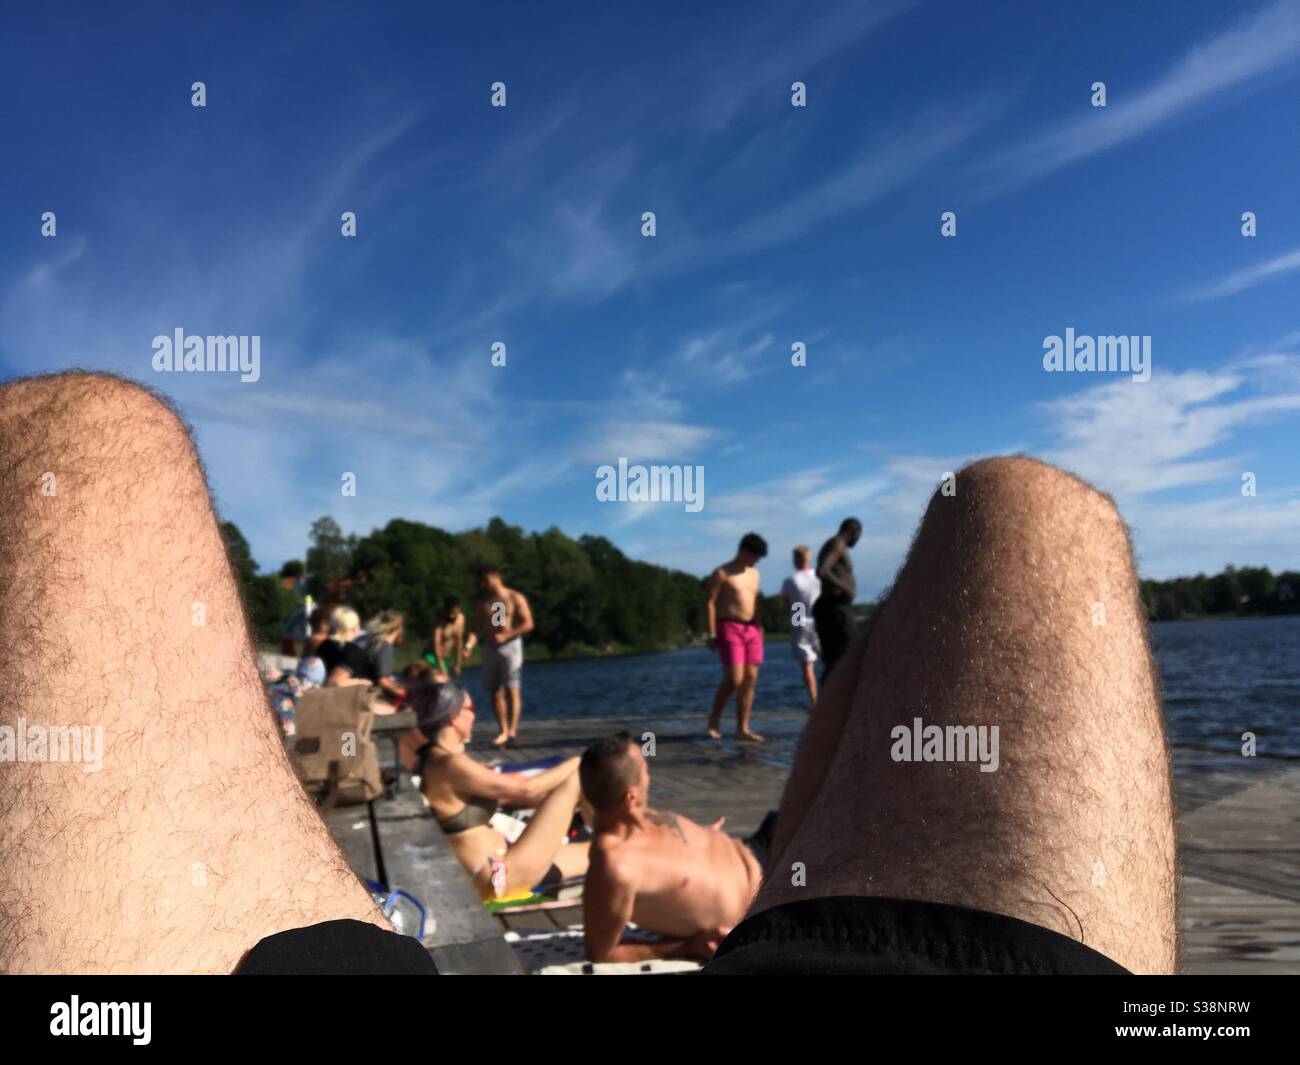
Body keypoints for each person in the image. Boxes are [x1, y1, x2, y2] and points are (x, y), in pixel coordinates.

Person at [0, 372, 1175, 976]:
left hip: (710, 880)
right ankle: (772, 784)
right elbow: (596, 917)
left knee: (91, 433)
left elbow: (584, 908)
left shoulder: (524, 791)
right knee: (1025, 506)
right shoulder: (559, 798)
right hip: (746, 879)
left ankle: (764, 777)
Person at [579, 734, 761, 963]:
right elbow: (601, 953)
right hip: (761, 915)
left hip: (760, 855)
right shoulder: (615, 866)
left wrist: (707, 834)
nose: (649, 776)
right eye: (645, 771)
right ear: (631, 797)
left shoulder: (641, 814)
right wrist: (685, 947)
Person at [412, 682, 589, 900]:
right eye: (472, 710)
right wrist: (578, 761)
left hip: (496, 864)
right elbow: (526, 789)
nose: (475, 717)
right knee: (577, 778)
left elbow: (517, 794)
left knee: (594, 849)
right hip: (497, 877)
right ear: (453, 717)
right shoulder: (449, 764)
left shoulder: (431, 756)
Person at [705, 532, 768, 743]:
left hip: (752, 628)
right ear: (743, 551)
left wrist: (760, 627)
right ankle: (714, 718)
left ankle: (743, 728)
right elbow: (710, 603)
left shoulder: (754, 574)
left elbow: (754, 602)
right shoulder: (722, 573)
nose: (756, 560)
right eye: (754, 556)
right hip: (728, 625)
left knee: (750, 679)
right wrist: (711, 632)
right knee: (734, 678)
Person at [473, 566, 533, 747]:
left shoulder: (514, 597)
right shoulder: (487, 602)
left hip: (510, 646)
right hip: (492, 646)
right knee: (494, 690)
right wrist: (468, 645)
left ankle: (512, 731)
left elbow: (528, 623)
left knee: (512, 688)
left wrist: (507, 635)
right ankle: (503, 730)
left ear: (494, 577)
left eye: (485, 580)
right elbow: (476, 628)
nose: (483, 584)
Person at [813, 517, 861, 678]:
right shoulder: (837, 544)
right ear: (854, 532)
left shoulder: (835, 544)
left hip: (833, 607)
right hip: (833, 608)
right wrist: (846, 587)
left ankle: (829, 700)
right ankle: (829, 699)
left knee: (837, 659)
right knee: (845, 656)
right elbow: (823, 570)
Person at [781, 545, 821, 708]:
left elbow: (787, 603)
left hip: (800, 620)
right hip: (818, 620)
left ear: (796, 559)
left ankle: (814, 701)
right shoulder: (819, 577)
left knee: (807, 666)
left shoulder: (791, 581)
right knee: (828, 661)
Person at [357, 610, 407, 705]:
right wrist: (405, 694)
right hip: (368, 698)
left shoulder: (368, 640)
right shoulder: (384, 646)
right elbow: (382, 681)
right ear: (397, 629)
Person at [425, 597, 467, 677]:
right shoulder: (439, 623)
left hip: (444, 658)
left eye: (454, 613)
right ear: (445, 610)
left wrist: (458, 664)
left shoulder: (461, 619)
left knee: (448, 681)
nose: (451, 616)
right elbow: (436, 646)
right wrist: (442, 669)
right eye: (450, 613)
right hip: (431, 656)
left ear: (459, 609)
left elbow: (459, 643)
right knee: (442, 679)